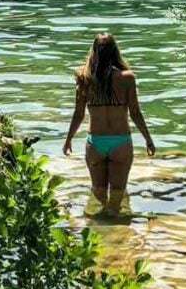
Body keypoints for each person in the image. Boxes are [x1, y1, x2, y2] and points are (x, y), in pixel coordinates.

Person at [62, 32, 155, 214]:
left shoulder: (84, 78)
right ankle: (115, 228)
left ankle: (103, 229)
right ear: (115, 52)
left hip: (95, 142)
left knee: (99, 193)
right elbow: (135, 113)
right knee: (118, 196)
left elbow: (78, 114)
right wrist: (148, 140)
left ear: (94, 51)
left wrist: (68, 139)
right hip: (120, 142)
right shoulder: (127, 78)